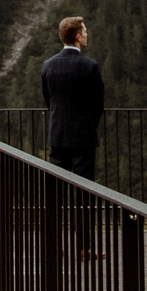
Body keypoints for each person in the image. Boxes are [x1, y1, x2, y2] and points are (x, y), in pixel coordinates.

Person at [41, 14, 104, 179]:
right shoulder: (90, 66)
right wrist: (88, 124)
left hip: (58, 133)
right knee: (85, 188)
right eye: (84, 32)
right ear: (78, 37)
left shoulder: (48, 65)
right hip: (83, 136)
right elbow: (98, 104)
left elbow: (48, 99)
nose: (86, 35)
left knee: (56, 184)